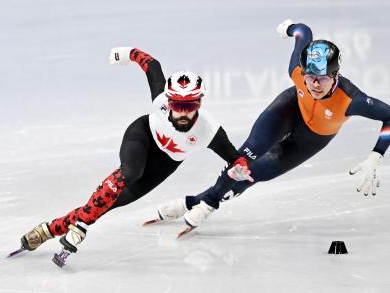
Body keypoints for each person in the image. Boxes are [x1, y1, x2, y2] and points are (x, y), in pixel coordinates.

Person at [154, 20, 390, 235]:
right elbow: (304, 32)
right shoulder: (296, 71)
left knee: (257, 173)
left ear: (336, 75)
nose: (315, 84)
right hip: (290, 108)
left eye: (323, 78)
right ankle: (208, 204)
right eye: (309, 77)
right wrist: (290, 28)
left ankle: (191, 202)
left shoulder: (352, 100)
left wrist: (376, 155)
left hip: (313, 137)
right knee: (246, 154)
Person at [17, 47, 252, 261]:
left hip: (165, 164)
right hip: (142, 135)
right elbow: (152, 64)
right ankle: (80, 227)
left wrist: (239, 168)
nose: (182, 112)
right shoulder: (160, 99)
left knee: (108, 204)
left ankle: (50, 229)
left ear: (199, 103)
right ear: (167, 102)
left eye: (189, 106)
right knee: (130, 171)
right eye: (176, 106)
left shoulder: (210, 131)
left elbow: (235, 157)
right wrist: (128, 53)